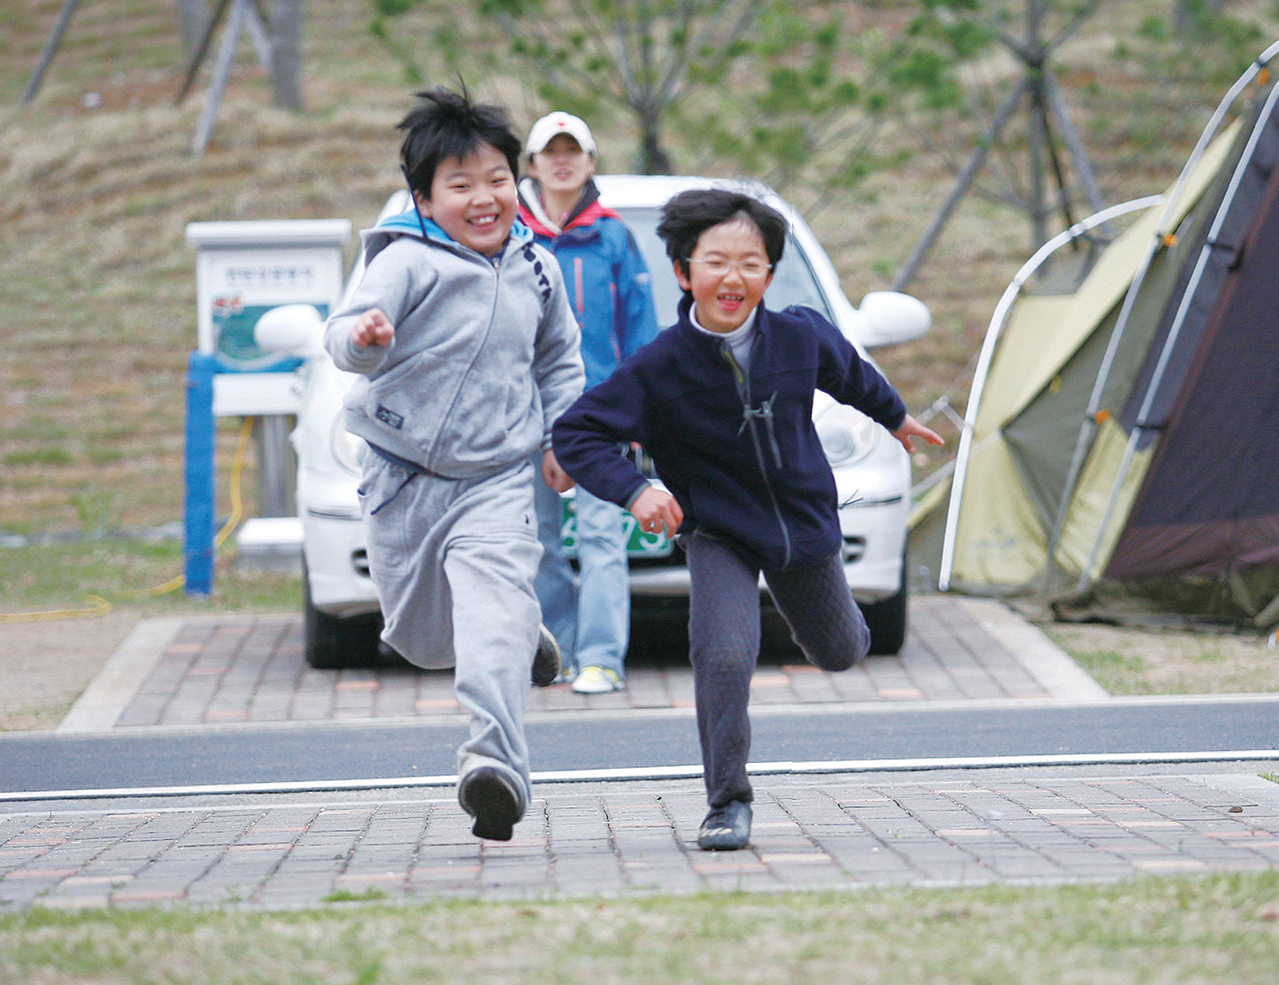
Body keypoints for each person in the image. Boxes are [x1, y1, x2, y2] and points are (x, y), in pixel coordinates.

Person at [553, 188, 944, 851]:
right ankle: (727, 801)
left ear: (768, 273)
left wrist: (895, 416)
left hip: (804, 528)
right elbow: (577, 433)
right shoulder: (657, 368)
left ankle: (824, 619)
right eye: (716, 262)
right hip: (719, 532)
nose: (733, 278)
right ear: (684, 272)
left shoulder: (800, 333)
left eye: (751, 263)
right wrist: (634, 492)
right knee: (725, 652)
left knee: (842, 651)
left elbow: (851, 373)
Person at [324, 86, 584, 842]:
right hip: (401, 475)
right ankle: (518, 630)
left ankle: (493, 767)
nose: (484, 199)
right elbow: (342, 335)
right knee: (423, 639)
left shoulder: (539, 270)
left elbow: (561, 363)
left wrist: (562, 438)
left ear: (519, 183)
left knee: (489, 616)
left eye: (497, 180)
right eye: (460, 185)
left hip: (497, 479)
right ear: (424, 196)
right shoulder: (404, 261)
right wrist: (366, 340)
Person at [518, 112, 659, 696]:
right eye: (549, 152)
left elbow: (641, 332)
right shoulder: (510, 236)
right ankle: (557, 651)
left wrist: (639, 411)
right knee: (537, 540)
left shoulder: (615, 236)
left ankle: (601, 657)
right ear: (531, 166)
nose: (561, 161)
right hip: (523, 416)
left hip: (599, 418)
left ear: (591, 162)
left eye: (572, 151)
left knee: (602, 538)